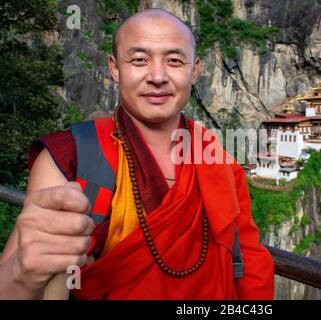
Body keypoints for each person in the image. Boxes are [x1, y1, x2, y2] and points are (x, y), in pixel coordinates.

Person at [0, 8, 274, 299]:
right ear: (115, 68)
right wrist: (22, 271)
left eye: (174, 61)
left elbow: (250, 266)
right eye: (139, 60)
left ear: (194, 71)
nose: (157, 76)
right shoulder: (72, 159)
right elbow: (12, 282)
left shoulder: (217, 161)